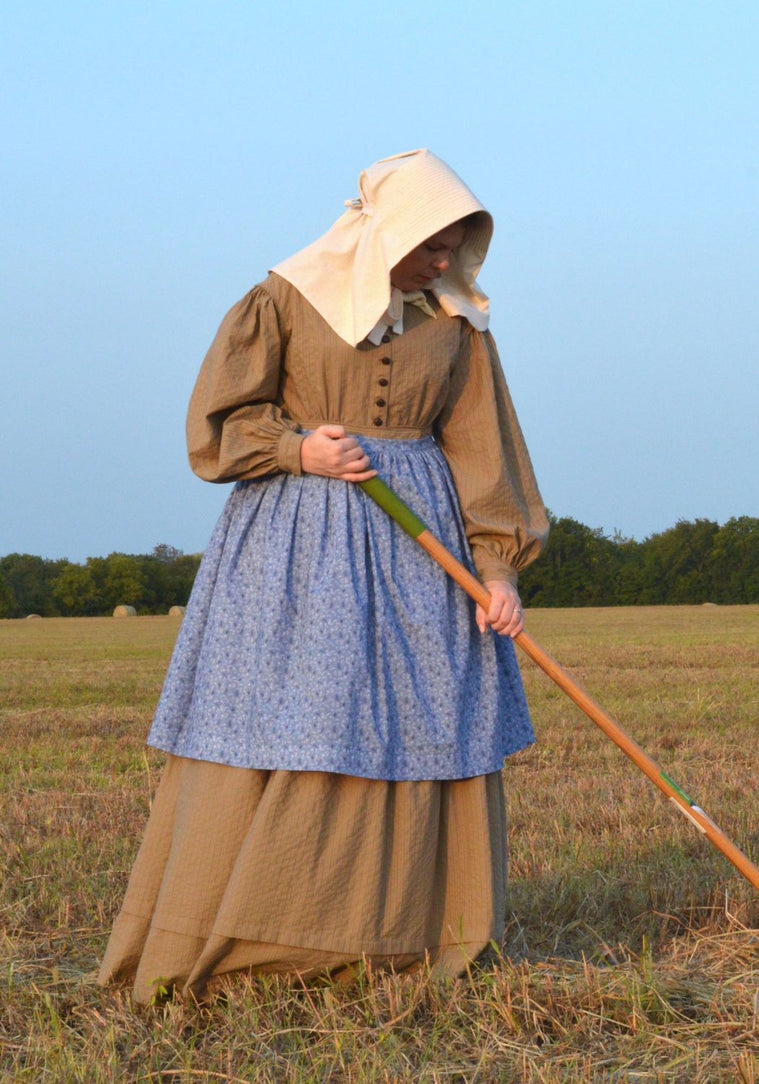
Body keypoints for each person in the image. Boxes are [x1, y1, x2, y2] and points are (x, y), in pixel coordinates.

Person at [97, 149, 548, 1004]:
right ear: (386, 233)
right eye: (432, 244)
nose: (445, 261)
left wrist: (498, 567)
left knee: (422, 715)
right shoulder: (282, 299)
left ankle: (407, 937)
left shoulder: (456, 327)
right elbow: (218, 421)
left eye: (456, 245)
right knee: (301, 714)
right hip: (298, 541)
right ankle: (264, 934)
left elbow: (486, 452)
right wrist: (296, 448)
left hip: (425, 554)